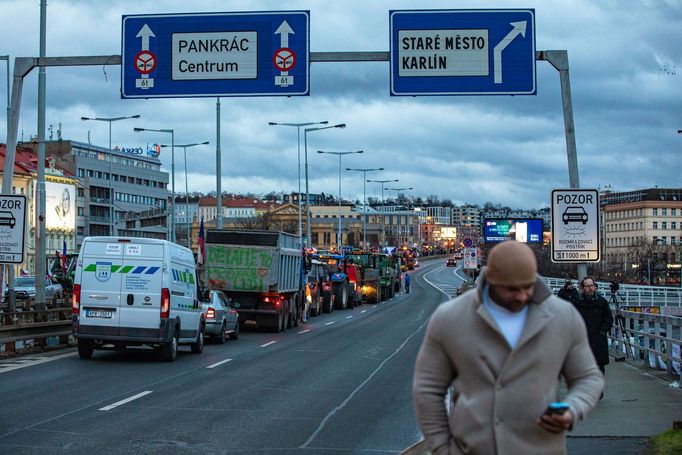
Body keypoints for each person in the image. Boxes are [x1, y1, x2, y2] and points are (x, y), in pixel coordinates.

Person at [413, 241, 603, 455]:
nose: (522, 295)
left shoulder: (562, 316)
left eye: (528, 286)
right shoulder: (451, 318)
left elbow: (588, 377)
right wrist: (441, 447)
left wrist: (572, 409)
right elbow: (427, 388)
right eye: (511, 289)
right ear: (491, 279)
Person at [575, 277, 614, 379]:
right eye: (587, 286)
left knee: (599, 367)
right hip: (582, 341)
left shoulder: (602, 302)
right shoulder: (577, 303)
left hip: (598, 340)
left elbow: (608, 319)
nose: (590, 288)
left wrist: (602, 332)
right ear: (583, 288)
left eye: (592, 285)